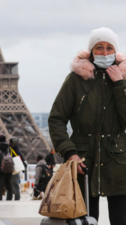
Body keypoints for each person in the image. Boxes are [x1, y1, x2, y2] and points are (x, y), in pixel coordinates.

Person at [49, 27, 126, 224]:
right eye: (99, 47)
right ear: (91, 51)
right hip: (82, 161)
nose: (105, 52)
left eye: (109, 48)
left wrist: (119, 85)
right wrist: (69, 153)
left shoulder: (123, 80)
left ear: (116, 52)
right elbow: (57, 118)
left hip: (118, 163)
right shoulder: (76, 79)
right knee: (84, 221)